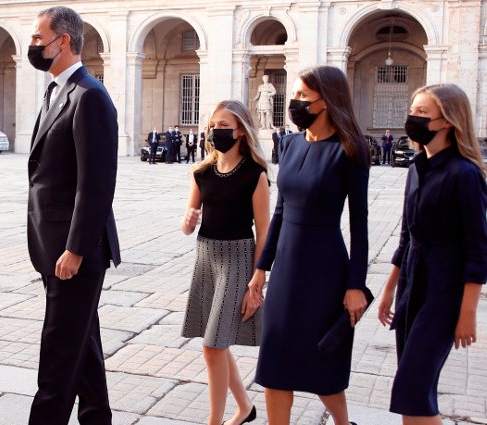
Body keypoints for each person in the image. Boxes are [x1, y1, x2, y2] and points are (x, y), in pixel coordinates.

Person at [246, 65, 370, 425]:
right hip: (286, 268)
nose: (295, 102)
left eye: (303, 96)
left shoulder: (349, 150)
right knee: (275, 362)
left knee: (322, 362)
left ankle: (344, 424)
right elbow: (280, 213)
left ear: (327, 100)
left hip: (325, 269)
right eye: (295, 94)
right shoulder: (290, 143)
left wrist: (355, 285)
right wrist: (260, 270)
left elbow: (359, 226)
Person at [26, 6, 121, 425]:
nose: (32, 46)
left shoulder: (90, 96)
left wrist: (76, 249)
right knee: (83, 346)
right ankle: (97, 417)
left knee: (59, 353)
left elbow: (96, 185)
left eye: (37, 38)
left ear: (62, 41)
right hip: (53, 247)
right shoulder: (55, 91)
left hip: (74, 254)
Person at [378, 84, 487, 424]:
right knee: (414, 395)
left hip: (444, 293)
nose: (414, 117)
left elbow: (478, 250)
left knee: (413, 388)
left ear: (448, 121)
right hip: (412, 287)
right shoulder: (415, 168)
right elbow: (407, 235)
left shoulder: (465, 175)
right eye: (414, 110)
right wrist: (389, 289)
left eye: (423, 112)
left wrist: (467, 312)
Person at [181, 100, 269, 425]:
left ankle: (214, 422)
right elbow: (188, 225)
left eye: (224, 126)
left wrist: (257, 281)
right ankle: (245, 409)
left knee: (213, 346)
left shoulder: (255, 175)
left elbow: (264, 231)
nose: (217, 131)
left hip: (238, 260)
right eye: (213, 125)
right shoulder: (201, 172)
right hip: (206, 258)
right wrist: (188, 220)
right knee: (215, 344)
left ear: (241, 131)